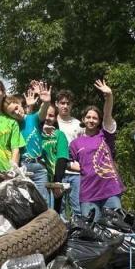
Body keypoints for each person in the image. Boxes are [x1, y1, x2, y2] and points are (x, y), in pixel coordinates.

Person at [68, 79, 124, 221]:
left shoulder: (105, 135)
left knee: (115, 229)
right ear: (83, 119)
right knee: (91, 233)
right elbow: (67, 162)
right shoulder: (75, 143)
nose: (91, 120)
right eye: (88, 117)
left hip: (110, 190)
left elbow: (107, 115)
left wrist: (109, 96)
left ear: (99, 121)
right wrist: (79, 168)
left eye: (95, 118)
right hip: (88, 193)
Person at [53, 88, 84, 219]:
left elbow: (82, 148)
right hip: (56, 170)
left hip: (75, 172)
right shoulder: (52, 121)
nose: (65, 106)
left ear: (72, 105)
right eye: (62, 103)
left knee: (77, 208)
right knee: (58, 208)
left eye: (68, 103)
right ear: (56, 104)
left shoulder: (79, 124)